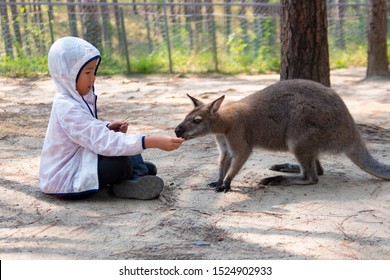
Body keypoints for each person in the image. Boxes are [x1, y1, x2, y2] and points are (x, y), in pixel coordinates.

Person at [39, 36, 184, 200]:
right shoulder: (67, 106)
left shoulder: (75, 97)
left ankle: (136, 174)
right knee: (119, 163)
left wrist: (107, 126)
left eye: (94, 71)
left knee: (121, 142)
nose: (93, 78)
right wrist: (151, 141)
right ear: (66, 75)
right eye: (87, 72)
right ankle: (133, 176)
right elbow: (99, 140)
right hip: (65, 178)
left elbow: (88, 130)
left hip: (81, 156)